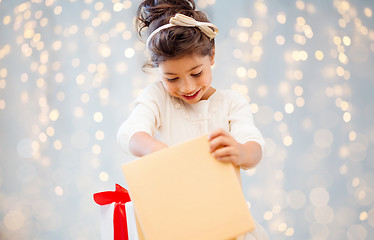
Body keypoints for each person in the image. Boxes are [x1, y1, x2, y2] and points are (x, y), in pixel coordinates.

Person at [117, 0, 268, 239]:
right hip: (178, 226)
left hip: (227, 227)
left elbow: (254, 148)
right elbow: (129, 134)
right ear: (158, 71)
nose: (187, 87)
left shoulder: (231, 103)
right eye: (172, 78)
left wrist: (241, 152)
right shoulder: (158, 98)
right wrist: (165, 155)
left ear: (212, 55)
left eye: (196, 73)